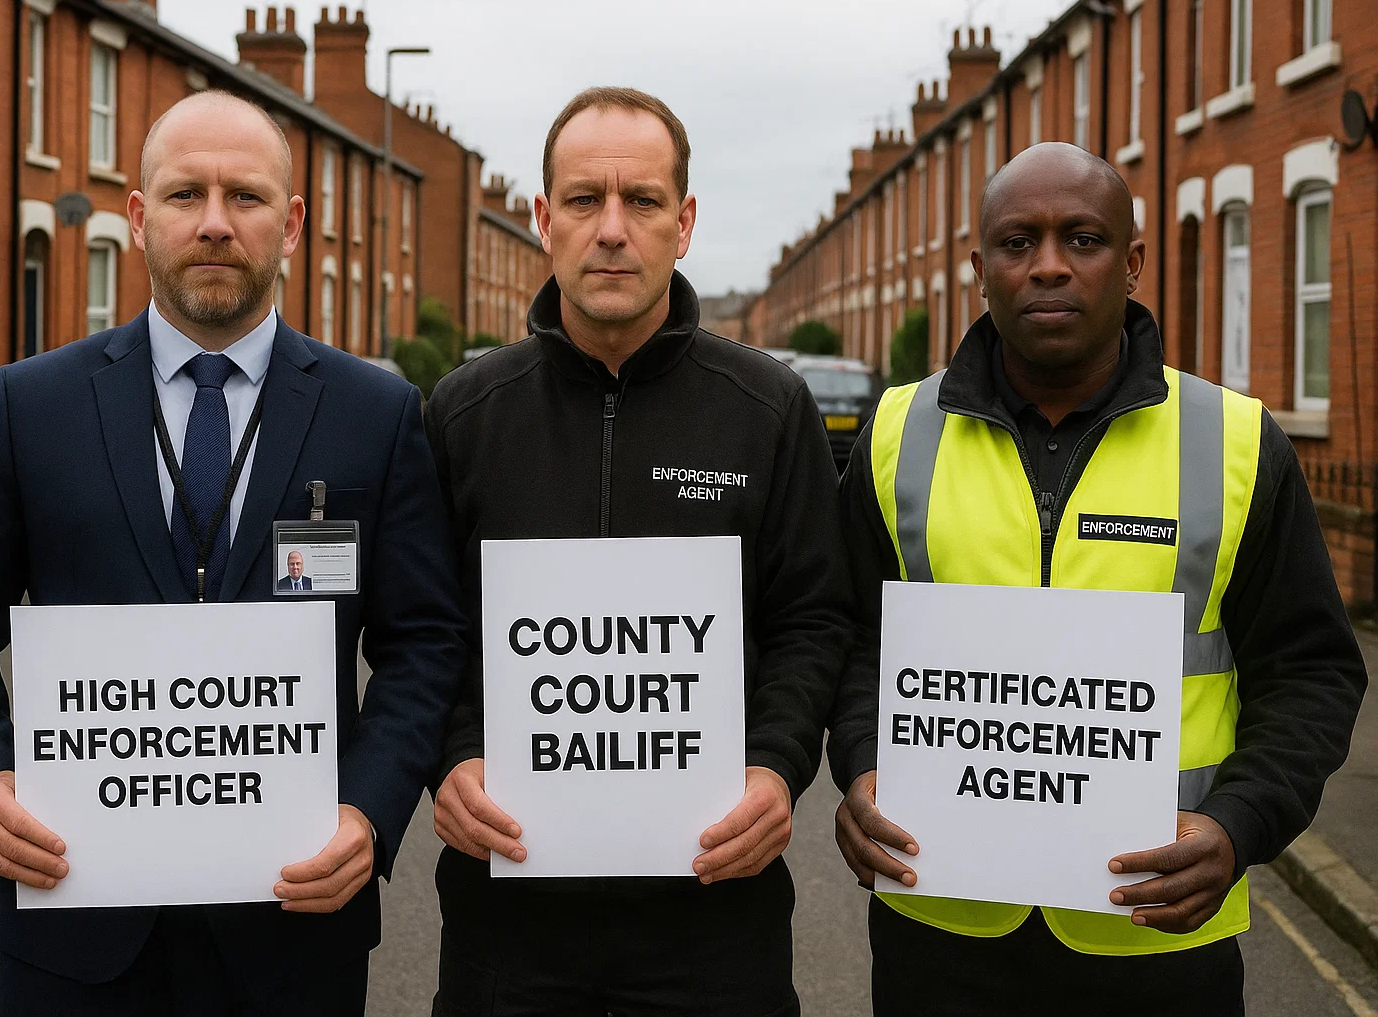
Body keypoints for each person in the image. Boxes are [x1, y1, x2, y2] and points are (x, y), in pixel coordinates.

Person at [0, 90, 467, 1015]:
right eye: (183, 195)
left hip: (292, 928)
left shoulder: (376, 414)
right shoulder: (34, 407)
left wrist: (366, 810)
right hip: (73, 926)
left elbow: (426, 641)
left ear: (289, 226)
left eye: (244, 197)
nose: (213, 223)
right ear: (136, 216)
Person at [827, 142, 1367, 1015]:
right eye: (1015, 243)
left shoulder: (1233, 445)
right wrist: (859, 765)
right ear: (979, 269)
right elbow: (849, 641)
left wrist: (1238, 826)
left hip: (1156, 939)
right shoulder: (895, 437)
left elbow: (1312, 671)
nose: (1047, 265)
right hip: (943, 932)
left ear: (1133, 262)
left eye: (1082, 239)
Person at [421, 86, 852, 1016]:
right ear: (543, 219)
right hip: (509, 910)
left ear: (684, 222)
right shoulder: (463, 414)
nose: (612, 230)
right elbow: (427, 626)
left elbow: (813, 618)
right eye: (584, 200)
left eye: (643, 201)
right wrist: (451, 757)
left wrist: (776, 767)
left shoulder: (768, 411)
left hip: (712, 909)